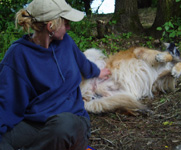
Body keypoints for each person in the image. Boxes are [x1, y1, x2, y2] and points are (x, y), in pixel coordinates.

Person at [0, 0, 111, 150]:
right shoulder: (18, 54)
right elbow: (6, 99)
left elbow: (83, 63)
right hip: (35, 124)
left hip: (71, 121)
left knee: (64, 126)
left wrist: (98, 72)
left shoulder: (67, 43)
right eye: (65, 23)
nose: (69, 27)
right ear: (50, 26)